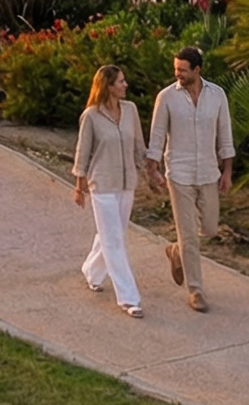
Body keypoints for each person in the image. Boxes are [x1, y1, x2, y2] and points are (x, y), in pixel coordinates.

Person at [146, 45, 235, 313]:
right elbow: (157, 135)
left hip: (209, 172)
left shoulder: (217, 95)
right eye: (176, 70)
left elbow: (225, 135)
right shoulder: (166, 97)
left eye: (183, 71)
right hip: (180, 175)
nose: (178, 75)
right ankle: (196, 291)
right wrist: (153, 169)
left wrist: (227, 172)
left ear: (197, 70)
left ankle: (176, 251)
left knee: (209, 229)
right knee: (188, 234)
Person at [70, 64, 150, 318]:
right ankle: (129, 298)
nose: (126, 85)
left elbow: (139, 145)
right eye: (121, 82)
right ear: (108, 86)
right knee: (114, 240)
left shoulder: (131, 111)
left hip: (126, 183)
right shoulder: (91, 116)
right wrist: (79, 186)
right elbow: (82, 153)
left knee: (112, 235)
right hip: (102, 185)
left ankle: (92, 271)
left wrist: (151, 173)